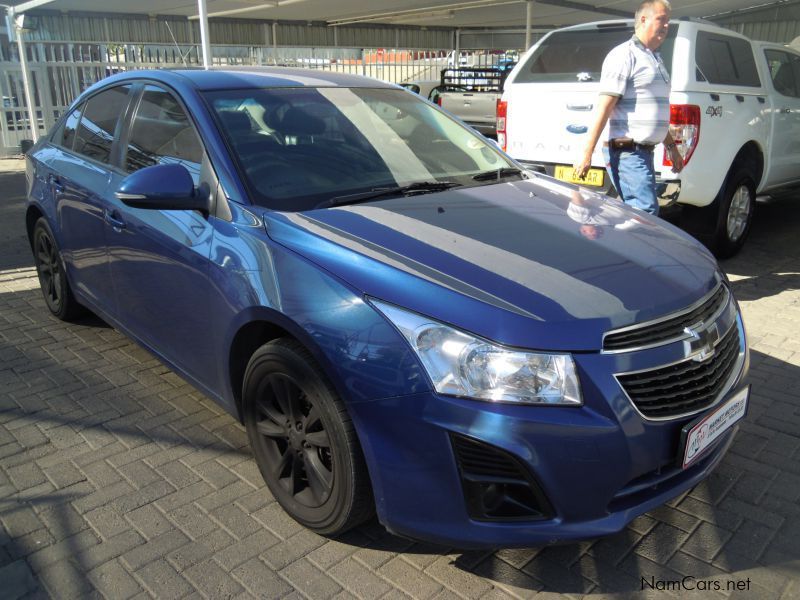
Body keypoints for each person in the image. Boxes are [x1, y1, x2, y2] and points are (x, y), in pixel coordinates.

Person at [573, 0, 683, 216]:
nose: (667, 26)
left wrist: (672, 147)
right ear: (643, 19)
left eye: (668, 21)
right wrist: (586, 153)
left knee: (637, 215)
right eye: (662, 19)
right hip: (628, 152)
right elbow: (605, 107)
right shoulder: (624, 55)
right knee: (646, 215)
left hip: (642, 153)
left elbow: (654, 111)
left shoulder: (655, 58)